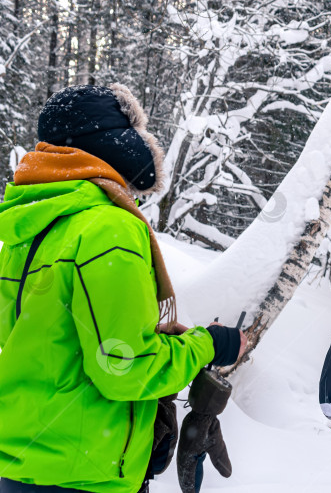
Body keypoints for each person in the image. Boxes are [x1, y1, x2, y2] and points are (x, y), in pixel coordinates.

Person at [0, 85, 245, 493]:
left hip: (22, 464)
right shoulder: (109, 228)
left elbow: (47, 343)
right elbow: (126, 368)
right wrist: (208, 344)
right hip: (85, 474)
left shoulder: (29, 227)